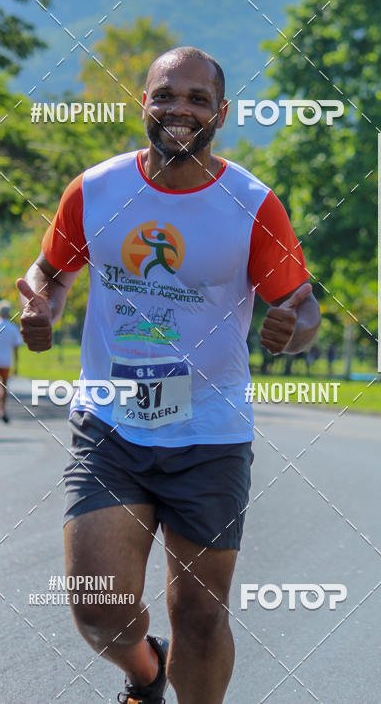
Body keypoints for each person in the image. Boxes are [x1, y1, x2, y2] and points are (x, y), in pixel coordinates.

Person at [17, 46, 321, 704]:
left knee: (201, 617)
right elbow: (51, 274)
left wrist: (292, 331)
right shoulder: (95, 190)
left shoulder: (251, 204)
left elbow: (302, 305)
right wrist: (39, 306)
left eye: (196, 99)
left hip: (209, 433)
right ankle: (145, 672)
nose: (179, 109)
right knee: (99, 610)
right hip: (111, 424)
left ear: (222, 114)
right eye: (166, 95)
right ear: (143, 103)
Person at [0, 299, 23, 423]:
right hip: (6, 362)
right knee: (4, 388)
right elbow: (16, 348)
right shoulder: (13, 328)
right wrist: (16, 365)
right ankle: (2, 410)